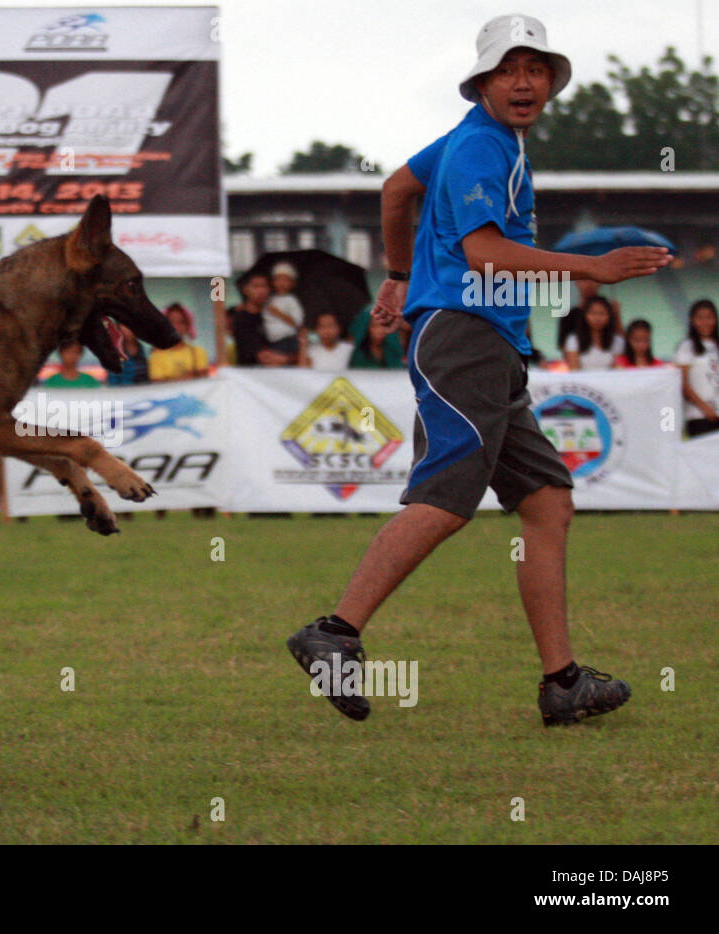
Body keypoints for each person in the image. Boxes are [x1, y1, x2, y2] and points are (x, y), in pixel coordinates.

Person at [286, 14, 670, 727]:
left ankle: (562, 683)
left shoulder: (480, 139)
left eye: (536, 68)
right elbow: (487, 253)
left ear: (550, 80)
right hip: (462, 339)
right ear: (485, 81)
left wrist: (400, 275)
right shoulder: (479, 149)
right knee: (445, 496)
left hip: (484, 342)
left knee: (548, 501)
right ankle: (332, 633)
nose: (524, 81)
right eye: (509, 69)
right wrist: (592, 266)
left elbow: (396, 189)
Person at [674, 298, 719, 437]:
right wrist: (705, 408)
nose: (705, 322)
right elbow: (683, 384)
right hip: (699, 416)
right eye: (700, 318)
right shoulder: (686, 346)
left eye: (709, 317)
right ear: (692, 320)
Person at [231, 272, 291, 366]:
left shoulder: (272, 316)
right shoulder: (242, 319)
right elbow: (264, 357)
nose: (261, 291)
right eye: (256, 286)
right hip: (252, 374)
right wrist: (289, 359)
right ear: (246, 290)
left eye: (264, 286)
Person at [148, 303, 209, 381]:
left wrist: (171, 379)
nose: (176, 326)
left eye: (181, 322)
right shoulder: (156, 356)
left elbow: (203, 378)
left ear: (188, 326)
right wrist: (190, 376)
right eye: (171, 322)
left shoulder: (198, 352)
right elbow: (158, 385)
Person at [562, 295, 623, 370]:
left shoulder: (617, 340)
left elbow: (618, 368)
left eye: (602, 313)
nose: (597, 318)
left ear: (609, 316)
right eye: (593, 313)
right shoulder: (574, 340)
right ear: (585, 315)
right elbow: (574, 368)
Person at [264, 262, 307, 362]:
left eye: (285, 280)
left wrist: (278, 313)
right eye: (278, 279)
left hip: (287, 341)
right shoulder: (269, 299)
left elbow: (297, 322)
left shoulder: (292, 300)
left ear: (292, 283)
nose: (281, 283)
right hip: (271, 341)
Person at [347, 304, 405, 369]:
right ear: (366, 328)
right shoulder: (357, 356)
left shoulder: (393, 352)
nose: (381, 331)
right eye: (375, 326)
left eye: (384, 325)